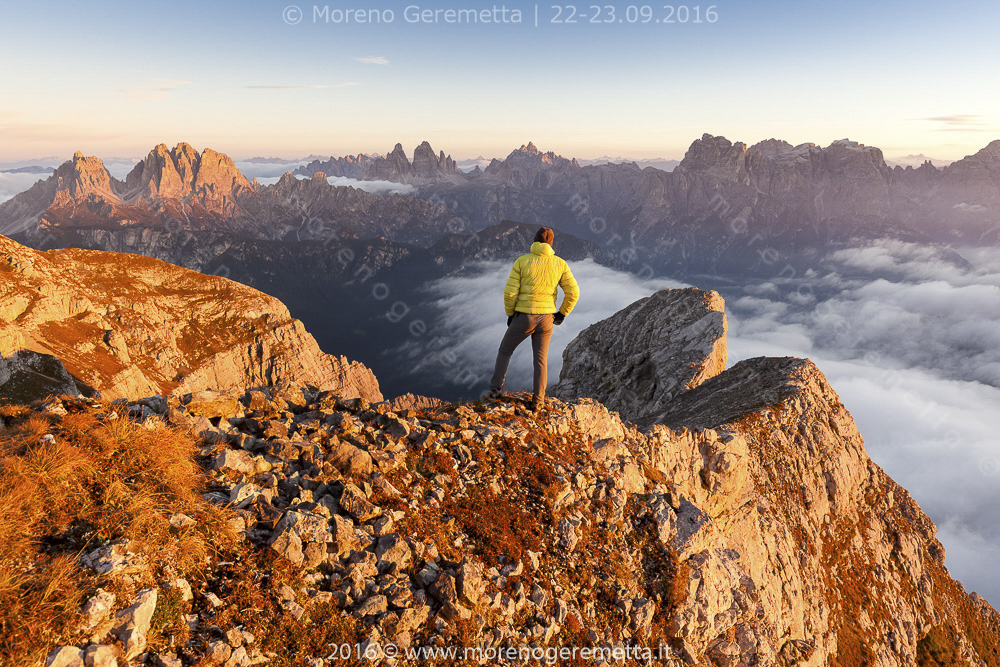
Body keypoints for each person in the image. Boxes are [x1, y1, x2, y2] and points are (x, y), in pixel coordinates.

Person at [485, 226, 579, 410]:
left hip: (524, 317)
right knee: (540, 360)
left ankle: (494, 392)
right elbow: (573, 292)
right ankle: (538, 402)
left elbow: (510, 292)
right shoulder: (560, 264)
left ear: (535, 241)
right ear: (551, 244)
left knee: (505, 351)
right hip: (547, 319)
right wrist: (561, 314)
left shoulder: (522, 262)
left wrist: (510, 314)